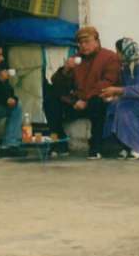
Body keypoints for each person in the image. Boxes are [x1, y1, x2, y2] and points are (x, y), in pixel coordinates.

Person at [44, 26, 120, 159]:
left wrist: (85, 99)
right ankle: (60, 142)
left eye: (87, 41)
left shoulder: (109, 57)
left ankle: (96, 147)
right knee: (50, 98)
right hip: (77, 103)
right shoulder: (76, 59)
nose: (83, 46)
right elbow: (56, 82)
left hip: (94, 102)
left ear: (97, 41)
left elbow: (108, 82)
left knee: (98, 101)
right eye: (80, 43)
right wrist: (66, 70)